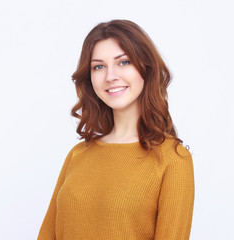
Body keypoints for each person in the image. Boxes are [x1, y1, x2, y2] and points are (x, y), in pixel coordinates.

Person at [37, 19, 195, 240]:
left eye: (123, 62)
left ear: (146, 69)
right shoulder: (77, 155)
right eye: (99, 66)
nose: (110, 76)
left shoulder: (173, 159)